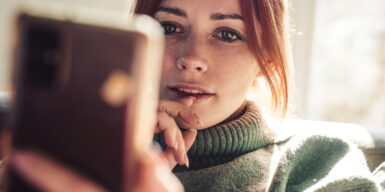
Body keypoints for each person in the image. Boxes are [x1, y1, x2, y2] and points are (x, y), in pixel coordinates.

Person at [0, 0, 383, 191]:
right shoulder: (75, 147)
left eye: (228, 34)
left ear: (266, 60)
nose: (191, 59)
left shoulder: (323, 162)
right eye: (169, 26)